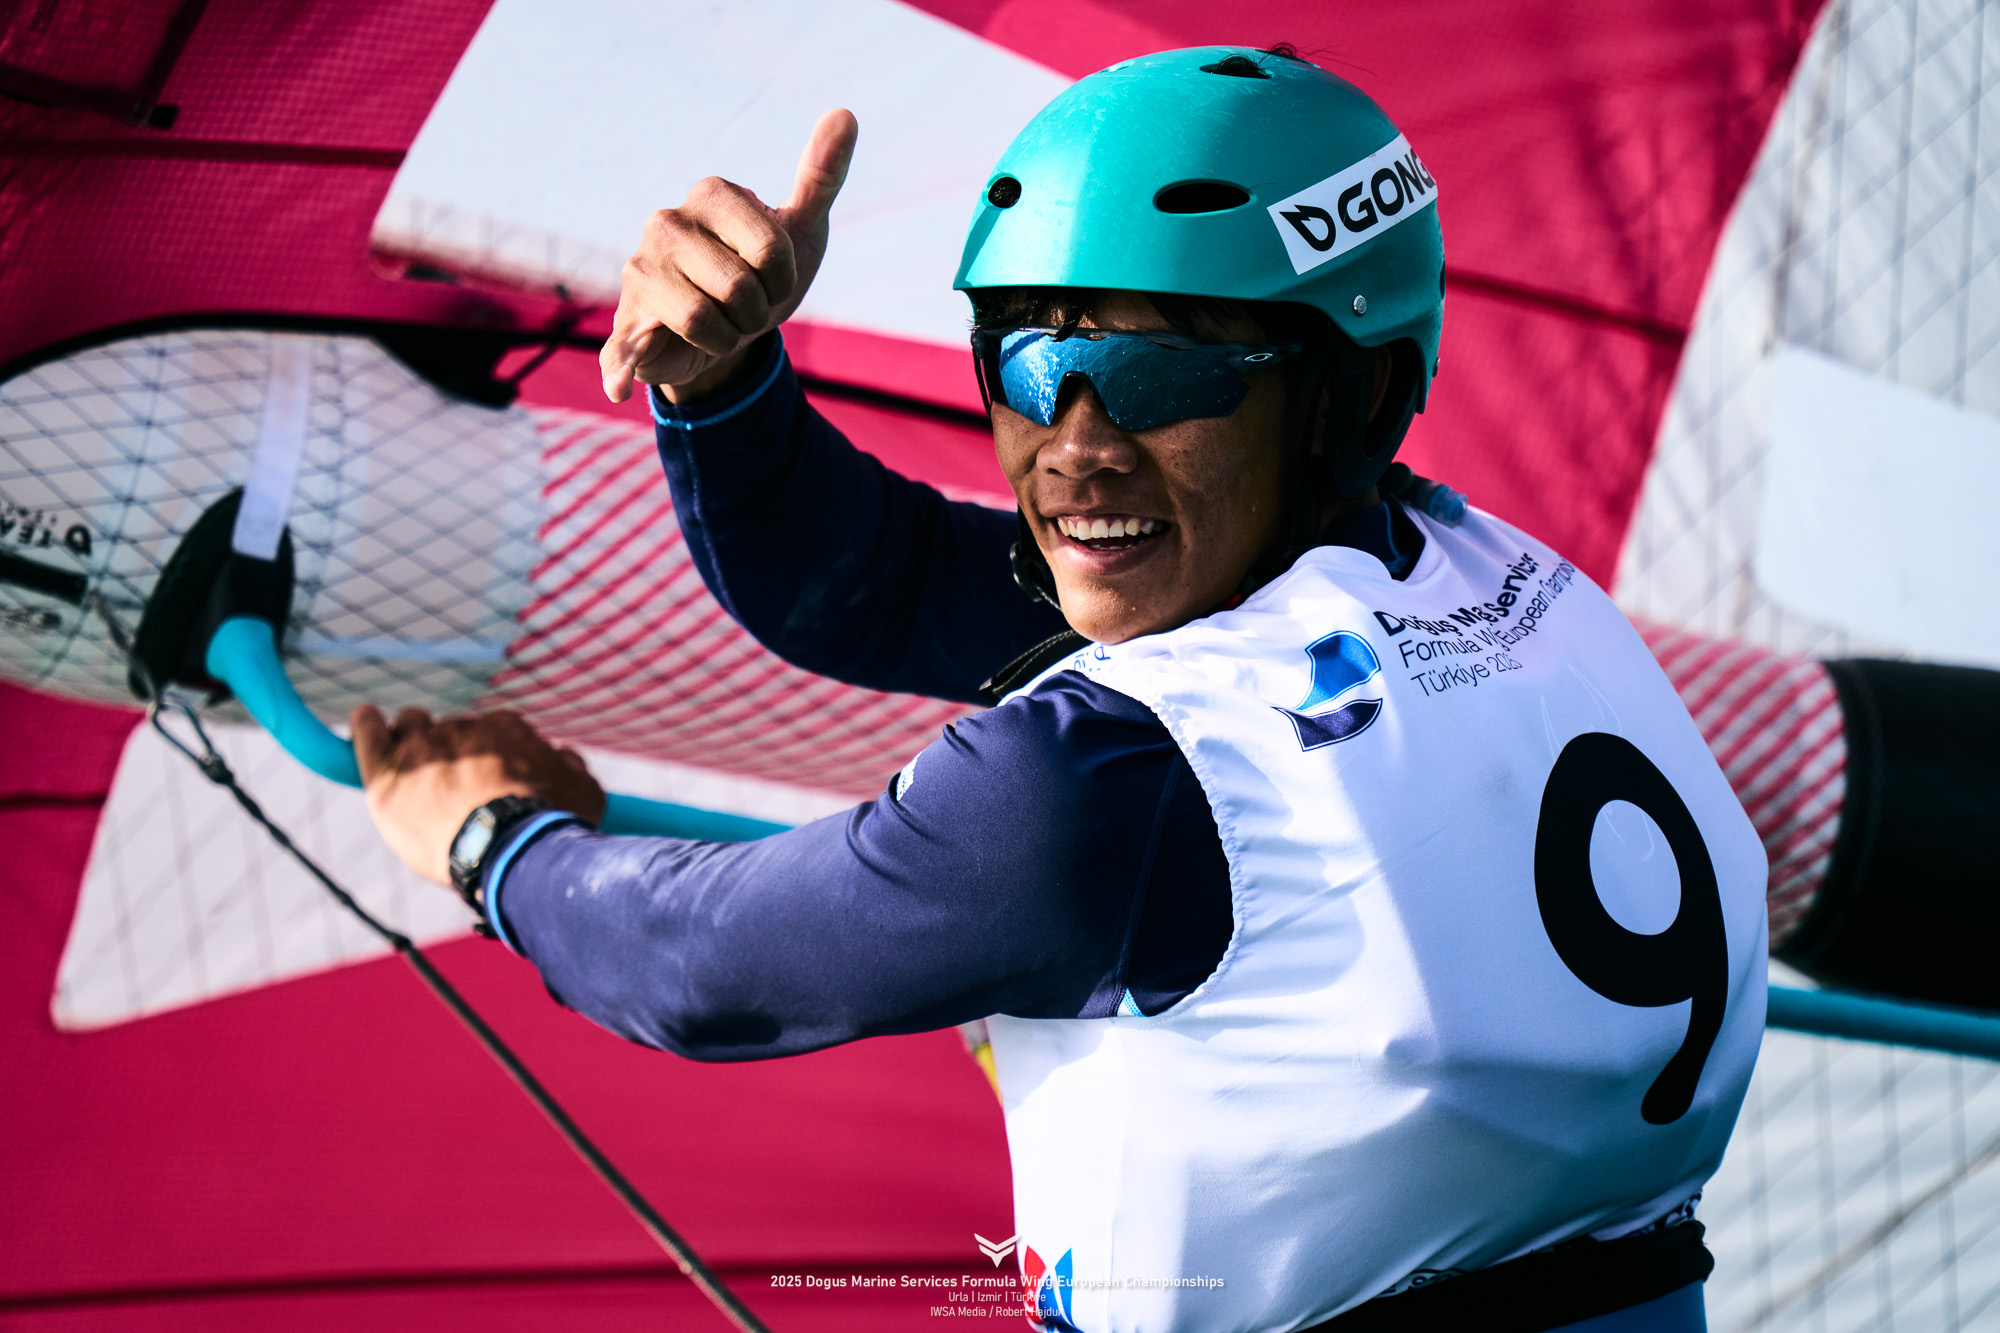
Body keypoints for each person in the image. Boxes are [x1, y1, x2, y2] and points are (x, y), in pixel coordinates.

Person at [354, 48, 1769, 1332]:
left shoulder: (1103, 786)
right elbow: (882, 581)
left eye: (1150, 370)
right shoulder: (1486, 571)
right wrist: (722, 383)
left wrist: (495, 843)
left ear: (1344, 397)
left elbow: (700, 967)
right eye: (1028, 360)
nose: (1073, 448)